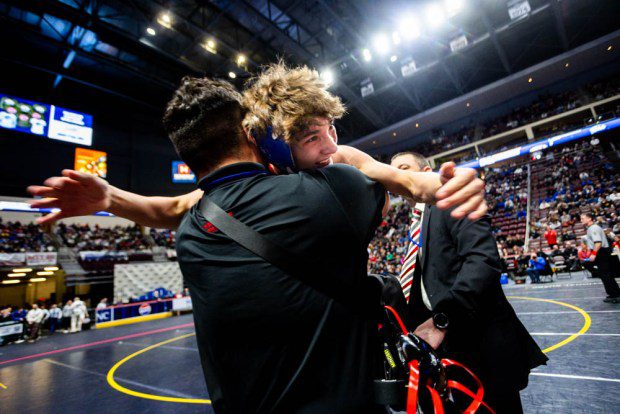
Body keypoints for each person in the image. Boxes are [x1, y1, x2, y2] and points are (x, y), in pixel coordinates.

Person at [390, 151, 547, 414]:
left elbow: (483, 261)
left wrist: (442, 319)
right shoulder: (417, 222)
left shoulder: (452, 198)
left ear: (427, 172)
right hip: (449, 346)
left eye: (404, 168)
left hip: (480, 341)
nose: (397, 177)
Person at [581, 213, 620, 303]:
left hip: (601, 252)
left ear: (589, 218)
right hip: (601, 252)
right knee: (605, 274)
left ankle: (615, 294)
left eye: (583, 218)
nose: (581, 220)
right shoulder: (591, 228)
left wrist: (594, 253)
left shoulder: (593, 228)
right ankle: (613, 293)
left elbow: (598, 242)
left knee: (605, 274)